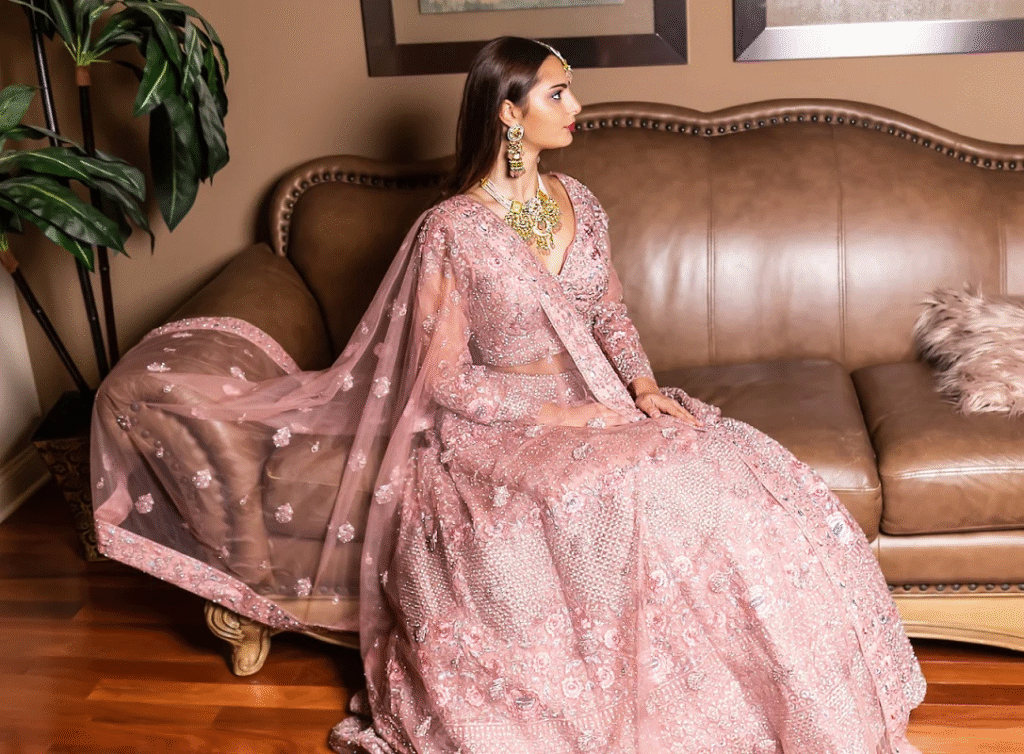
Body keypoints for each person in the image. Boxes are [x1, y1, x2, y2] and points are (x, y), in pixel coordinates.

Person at [89, 36, 924, 754]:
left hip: (604, 401)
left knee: (728, 469)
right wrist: (562, 414)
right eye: (559, 93)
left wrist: (639, 387)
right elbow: (445, 380)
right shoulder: (451, 231)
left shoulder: (578, 201)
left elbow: (609, 313)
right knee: (624, 486)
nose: (577, 106)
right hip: (497, 428)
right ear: (508, 112)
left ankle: (784, 698)